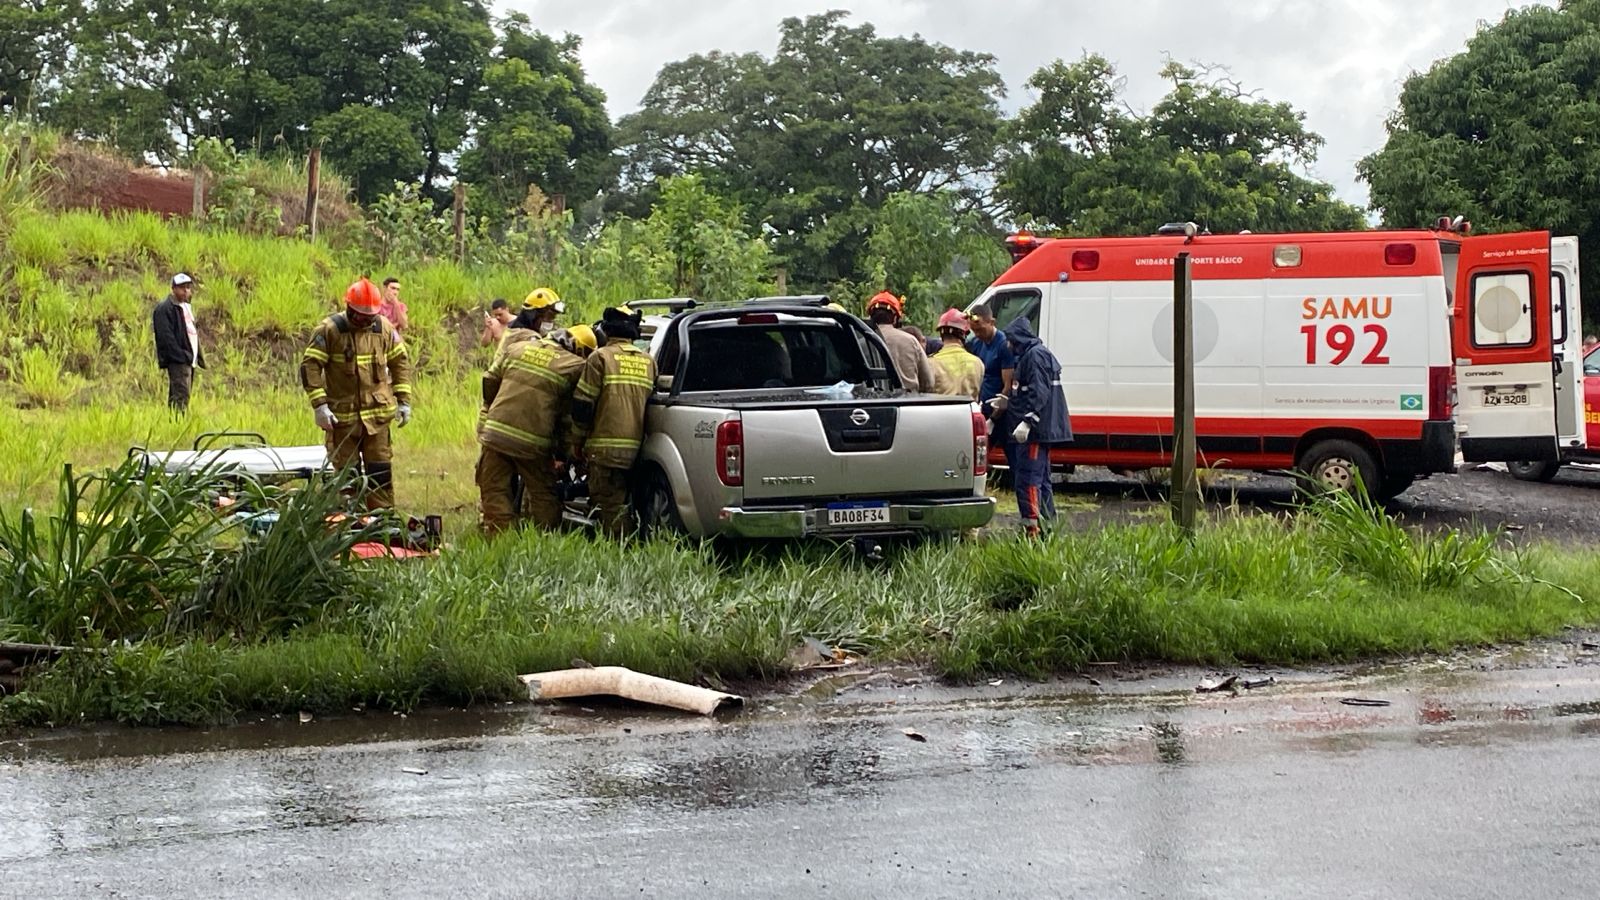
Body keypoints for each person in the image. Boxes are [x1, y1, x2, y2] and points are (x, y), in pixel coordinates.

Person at [301, 278, 414, 510]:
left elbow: (400, 362)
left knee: (380, 476)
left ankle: (381, 525)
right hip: (342, 421)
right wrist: (319, 406)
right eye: (360, 316)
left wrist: (404, 401)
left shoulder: (383, 328)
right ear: (349, 308)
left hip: (378, 420)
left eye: (369, 316)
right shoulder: (329, 330)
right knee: (347, 480)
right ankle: (349, 528)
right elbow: (310, 366)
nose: (364, 321)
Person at [477, 325, 598, 533]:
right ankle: (544, 539)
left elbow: (489, 381)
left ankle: (500, 539)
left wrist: (494, 409)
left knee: (494, 489)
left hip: (496, 434)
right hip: (533, 442)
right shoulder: (575, 366)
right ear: (580, 349)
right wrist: (566, 453)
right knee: (543, 493)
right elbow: (569, 418)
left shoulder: (517, 348)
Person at [570, 306, 657, 537]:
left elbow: (583, 406)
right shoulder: (649, 362)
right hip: (637, 451)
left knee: (609, 504)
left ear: (606, 332)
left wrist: (575, 442)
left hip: (605, 451)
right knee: (628, 501)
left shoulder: (600, 358)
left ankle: (619, 551)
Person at [1002, 317, 1071, 537]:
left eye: (1011, 340)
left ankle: (1031, 530)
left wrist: (1027, 422)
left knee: (1028, 480)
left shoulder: (1034, 356)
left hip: (1035, 433)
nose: (1008, 345)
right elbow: (1029, 392)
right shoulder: (1033, 355)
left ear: (1018, 339)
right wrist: (1008, 403)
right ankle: (1047, 527)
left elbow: (1039, 393)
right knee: (1041, 480)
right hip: (1039, 430)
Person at [152, 273, 204, 413]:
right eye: (182, 288)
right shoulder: (165, 308)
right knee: (180, 396)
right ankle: (176, 426)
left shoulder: (186, 307)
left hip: (188, 360)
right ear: (173, 289)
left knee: (183, 395)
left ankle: (176, 424)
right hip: (178, 360)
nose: (186, 291)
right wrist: (181, 356)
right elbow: (166, 337)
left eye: (188, 288)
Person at [866, 292, 934, 392]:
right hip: (908, 402)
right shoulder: (911, 341)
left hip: (872, 404)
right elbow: (928, 383)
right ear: (895, 318)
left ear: (870, 316)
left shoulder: (861, 342)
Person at [928, 308, 984, 399]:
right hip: (969, 411)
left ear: (941, 334)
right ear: (964, 334)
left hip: (940, 412)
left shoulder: (931, 363)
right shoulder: (978, 363)